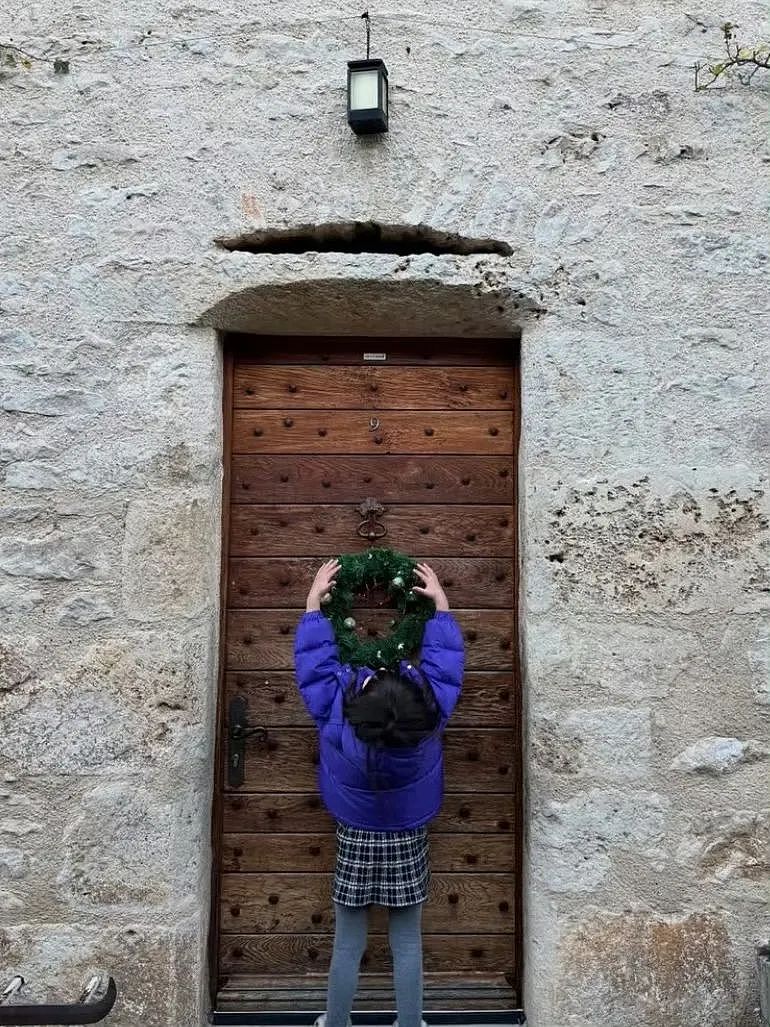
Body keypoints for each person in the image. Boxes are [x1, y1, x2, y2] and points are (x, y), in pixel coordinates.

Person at [294, 559, 465, 1027]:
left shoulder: (335, 715)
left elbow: (316, 670)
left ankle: (336, 1022)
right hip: (407, 836)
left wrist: (314, 607)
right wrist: (440, 607)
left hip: (356, 834)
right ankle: (411, 1024)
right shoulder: (431, 717)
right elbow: (444, 668)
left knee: (349, 941)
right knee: (406, 941)